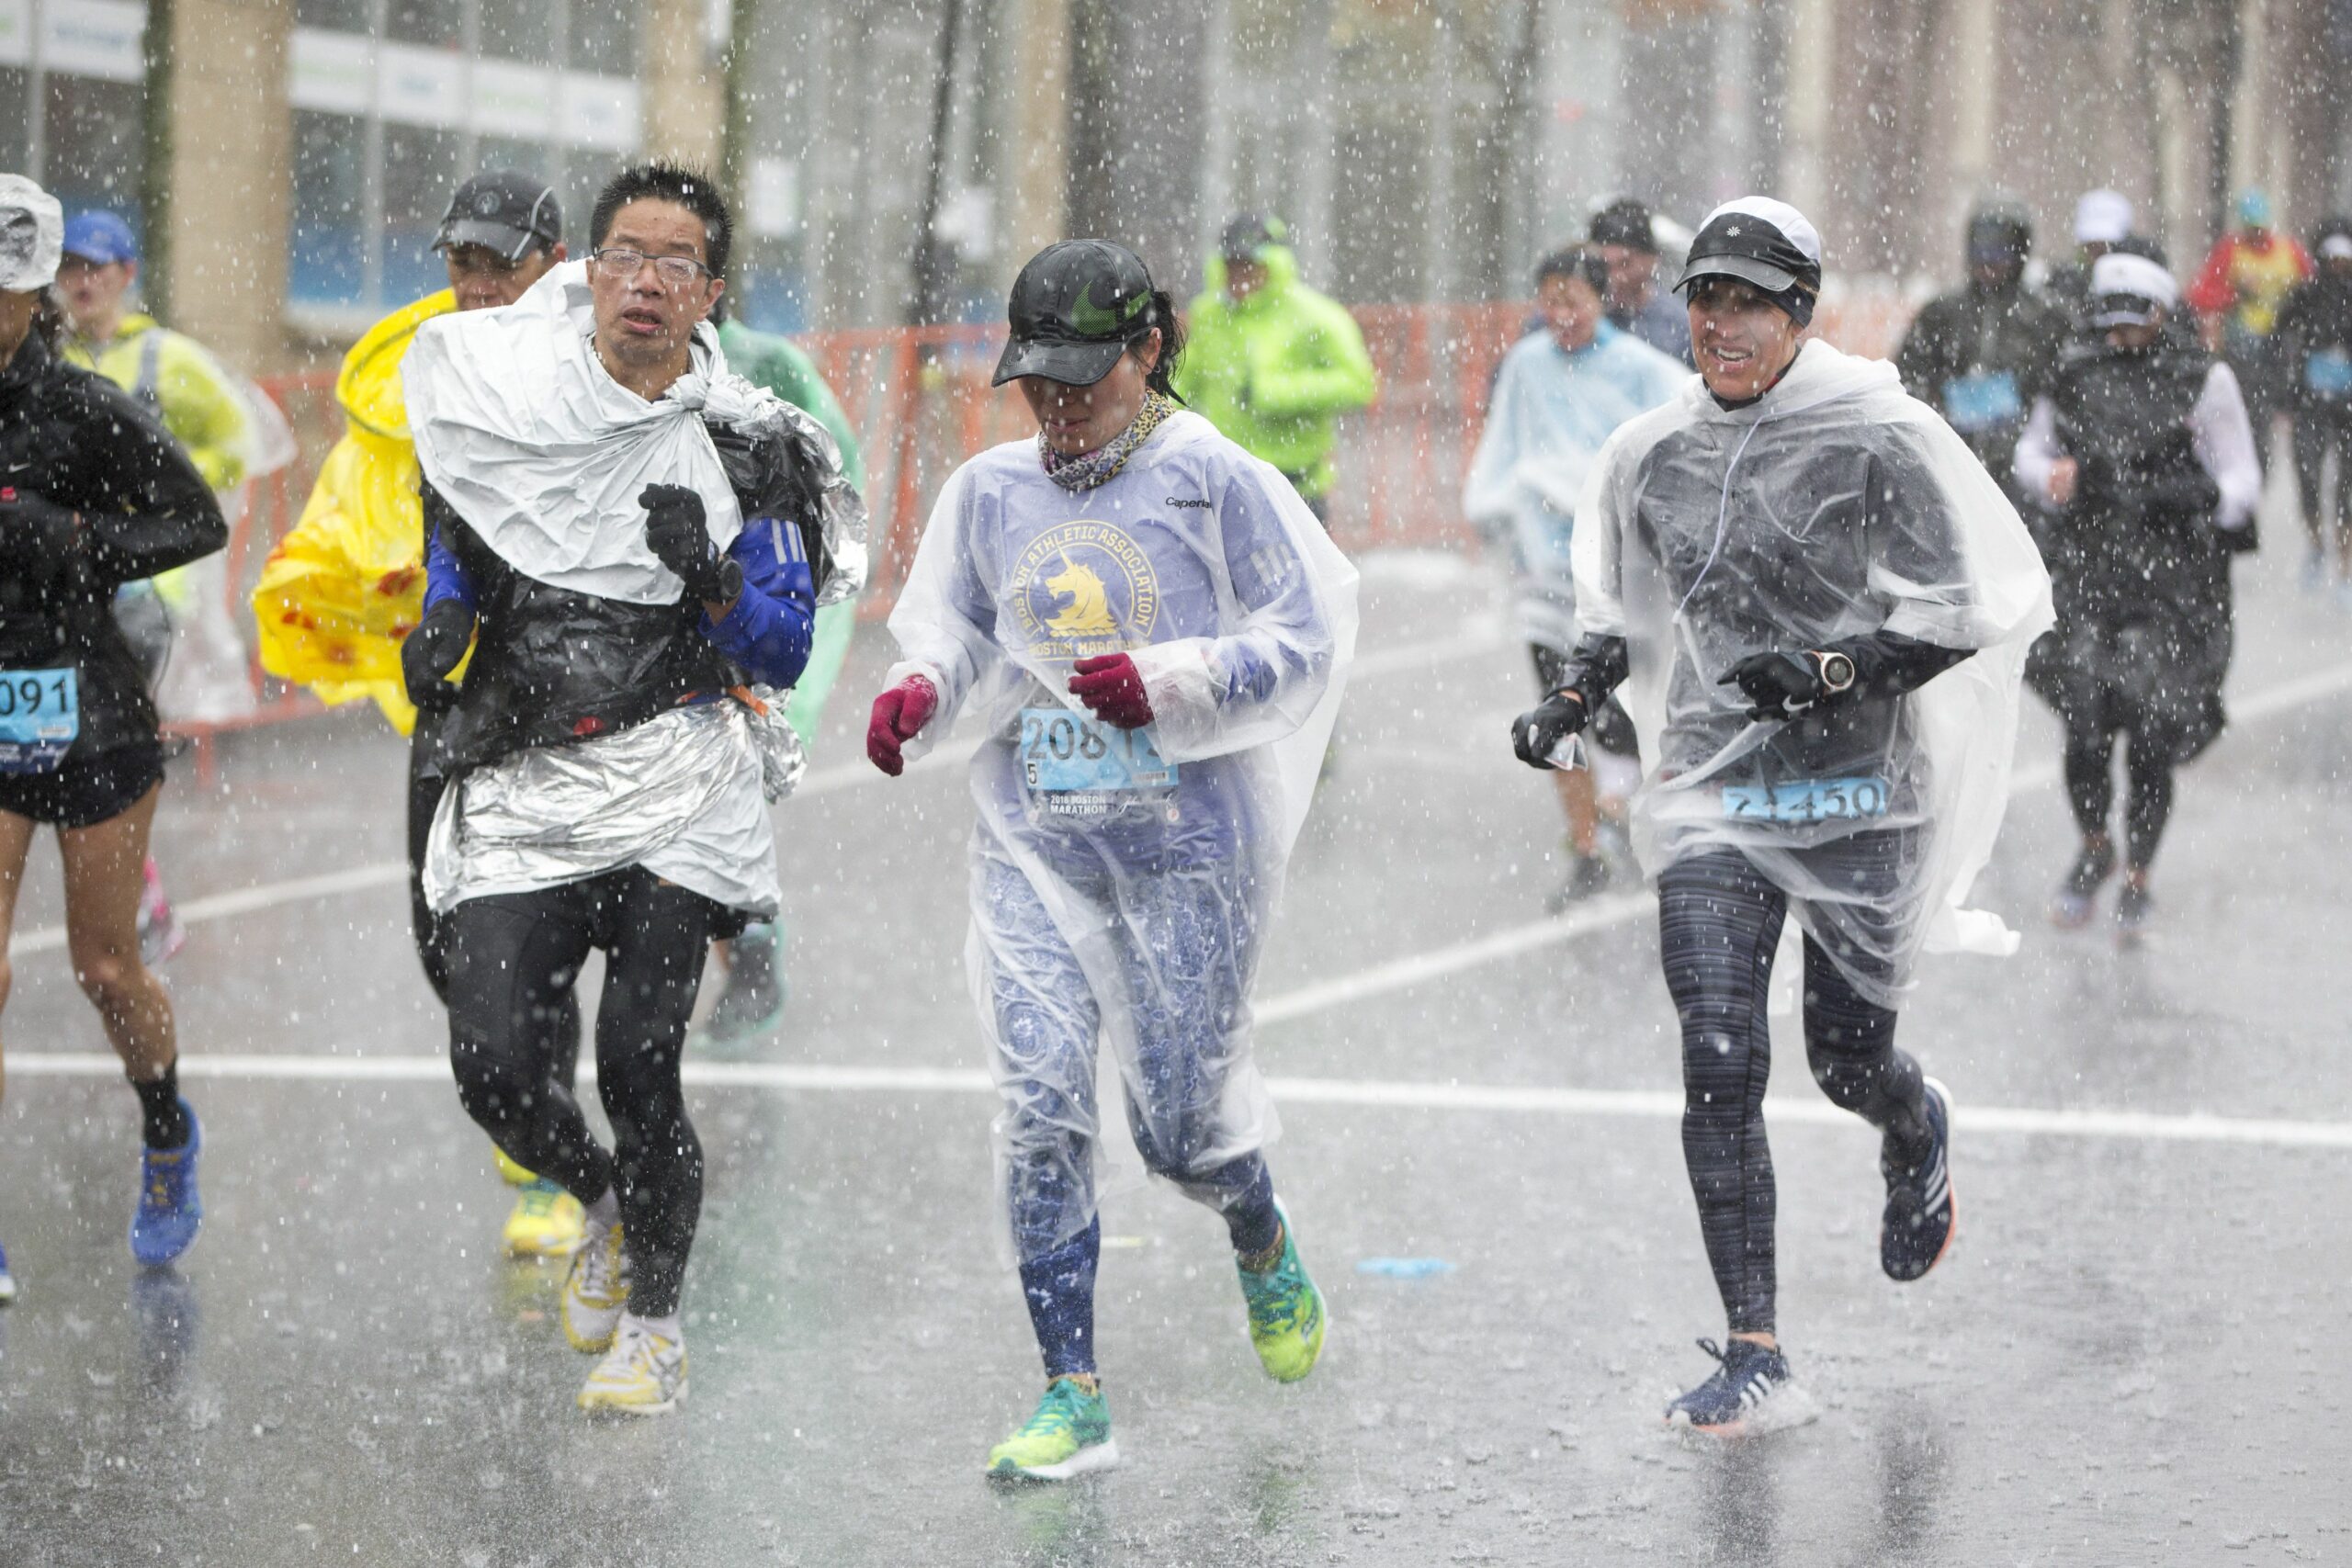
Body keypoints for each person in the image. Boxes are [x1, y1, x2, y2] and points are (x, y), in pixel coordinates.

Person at [1511, 197, 2051, 1434]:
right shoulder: (1652, 449)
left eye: (1751, 302)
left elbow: (1957, 610)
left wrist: (1829, 670)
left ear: (1803, 313)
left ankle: (1913, 1118)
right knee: (1716, 1050)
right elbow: (1621, 607)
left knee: (1844, 1057)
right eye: (1706, 299)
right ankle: (1756, 1347)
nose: (1723, 325)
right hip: (1712, 791)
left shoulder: (1880, 438)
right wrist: (1574, 693)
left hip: (1859, 791)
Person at [869, 239, 1354, 1479]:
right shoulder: (991, 492)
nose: (1061, 408)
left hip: (1191, 847)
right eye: (1040, 383)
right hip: (1038, 839)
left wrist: (1170, 681)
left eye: (1086, 379)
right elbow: (966, 630)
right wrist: (920, 687)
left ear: (1149, 351)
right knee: (1037, 1108)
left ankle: (1253, 1222)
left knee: (1180, 1129)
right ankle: (1071, 1389)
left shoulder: (1214, 480)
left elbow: (1301, 639)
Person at [403, 161, 857, 1416]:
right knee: (490, 1060)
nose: (644, 283)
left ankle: (654, 1321)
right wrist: (443, 612)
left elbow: (778, 645)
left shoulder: (750, 445)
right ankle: (602, 1197)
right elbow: (457, 514)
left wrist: (710, 574)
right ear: (586, 272)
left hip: (677, 774)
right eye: (624, 257)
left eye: (674, 264)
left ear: (709, 290)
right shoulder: (507, 397)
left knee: (638, 1062)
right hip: (533, 769)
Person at [252, 171, 587, 1259]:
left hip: (574, 697)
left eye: (502, 261)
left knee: (536, 944)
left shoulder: (604, 364)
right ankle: (528, 1110)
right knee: (445, 943)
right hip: (456, 698)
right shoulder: (410, 380)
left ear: (552, 259)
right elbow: (359, 510)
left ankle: (556, 1159)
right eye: (463, 261)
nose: (481, 283)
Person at [0, 175, 230, 1300]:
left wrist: (70, 538)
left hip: (90, 709)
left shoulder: (88, 407)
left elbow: (200, 518)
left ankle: (165, 1130)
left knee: (104, 966)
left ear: (34, 292)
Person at [2013, 253, 2259, 940]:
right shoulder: (2071, 372)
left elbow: (2242, 480)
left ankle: (2140, 877)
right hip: (2090, 572)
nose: (2123, 332)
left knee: (2151, 728)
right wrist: (2051, 475)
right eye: (2112, 317)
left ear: (2162, 313)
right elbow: (2031, 454)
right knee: (2086, 722)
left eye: (2137, 315)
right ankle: (2095, 845)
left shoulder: (2202, 378)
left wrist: (2199, 503)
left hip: (2176, 584)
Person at [58, 209, 258, 964]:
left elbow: (238, 435)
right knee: (77, 751)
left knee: (98, 748)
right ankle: (140, 895)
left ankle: (140, 897)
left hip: (144, 593)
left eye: (98, 267)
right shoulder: (46, 356)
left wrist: (167, 497)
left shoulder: (165, 360)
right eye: (72, 265)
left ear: (127, 275)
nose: (83, 280)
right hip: (65, 583)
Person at [1464, 243, 1682, 906]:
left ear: (1599, 299)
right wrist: (1494, 509)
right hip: (1544, 568)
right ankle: (1586, 841)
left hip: (1615, 571)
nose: (1561, 313)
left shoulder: (1641, 368)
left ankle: (1643, 822)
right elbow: (1503, 448)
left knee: (1622, 714)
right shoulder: (1527, 367)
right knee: (1554, 714)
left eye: (1573, 299)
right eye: (1549, 299)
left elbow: (1683, 429)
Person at [695, 306, 867, 1050]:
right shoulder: (619, 358)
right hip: (685, 609)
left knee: (731, 769)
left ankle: (753, 948)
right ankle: (743, 945)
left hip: (764, 602)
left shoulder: (764, 361)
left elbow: (834, 467)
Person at [1173, 214, 1377, 522]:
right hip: (1223, 484)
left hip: (1295, 486)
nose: (1239, 274)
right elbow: (1182, 382)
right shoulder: (1208, 315)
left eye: (1250, 264)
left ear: (1276, 265)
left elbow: (1358, 384)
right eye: (1231, 264)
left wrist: (1273, 393)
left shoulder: (1316, 315)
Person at [1894, 201, 2072, 517]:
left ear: (2019, 254)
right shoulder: (1942, 313)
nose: (1989, 263)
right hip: (1951, 463)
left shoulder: (2045, 318)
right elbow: (1907, 378)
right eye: (1980, 250)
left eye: (2001, 251)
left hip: (2020, 472)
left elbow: (2065, 389)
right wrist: (1938, 414)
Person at [2186, 188, 2312, 458]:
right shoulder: (2231, 251)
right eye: (2250, 228)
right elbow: (2200, 294)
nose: (2256, 235)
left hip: (2281, 349)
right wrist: (2234, 295)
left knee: (2267, 416)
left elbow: (2314, 291)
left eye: (2259, 228)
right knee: (2248, 414)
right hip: (2241, 349)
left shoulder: (2289, 252)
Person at [2273, 218, 2352, 595]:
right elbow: (2278, 336)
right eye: (2332, 259)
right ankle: (2316, 545)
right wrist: (2284, 386)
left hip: (2349, 404)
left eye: (2345, 260)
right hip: (2309, 400)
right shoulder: (2305, 295)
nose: (2338, 266)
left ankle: (2346, 560)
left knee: (2348, 485)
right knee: (2308, 474)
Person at [1589, 197, 1694, 364]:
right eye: (1603, 266)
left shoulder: (1682, 326)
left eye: (1625, 264)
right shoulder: (1570, 318)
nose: (1614, 277)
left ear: (1652, 260)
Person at [2043, 188, 2136, 321]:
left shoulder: (2135, 286)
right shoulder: (2065, 282)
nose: (2096, 252)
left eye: (2105, 245)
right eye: (2091, 245)